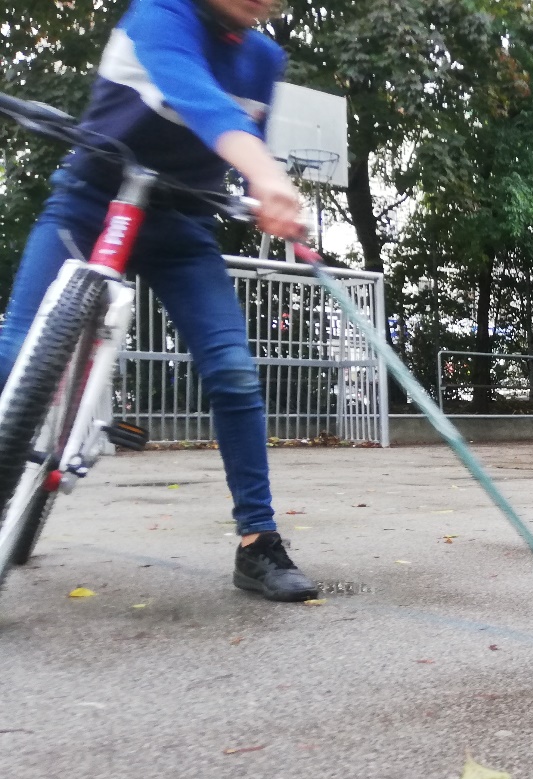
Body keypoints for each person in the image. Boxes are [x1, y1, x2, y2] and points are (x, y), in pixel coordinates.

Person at [0, 0, 318, 601]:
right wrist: (268, 173)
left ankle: (259, 542)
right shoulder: (159, 14)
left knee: (234, 372)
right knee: (18, 351)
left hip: (182, 225)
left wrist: (263, 190)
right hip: (92, 202)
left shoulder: (264, 57)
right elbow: (199, 97)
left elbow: (243, 136)